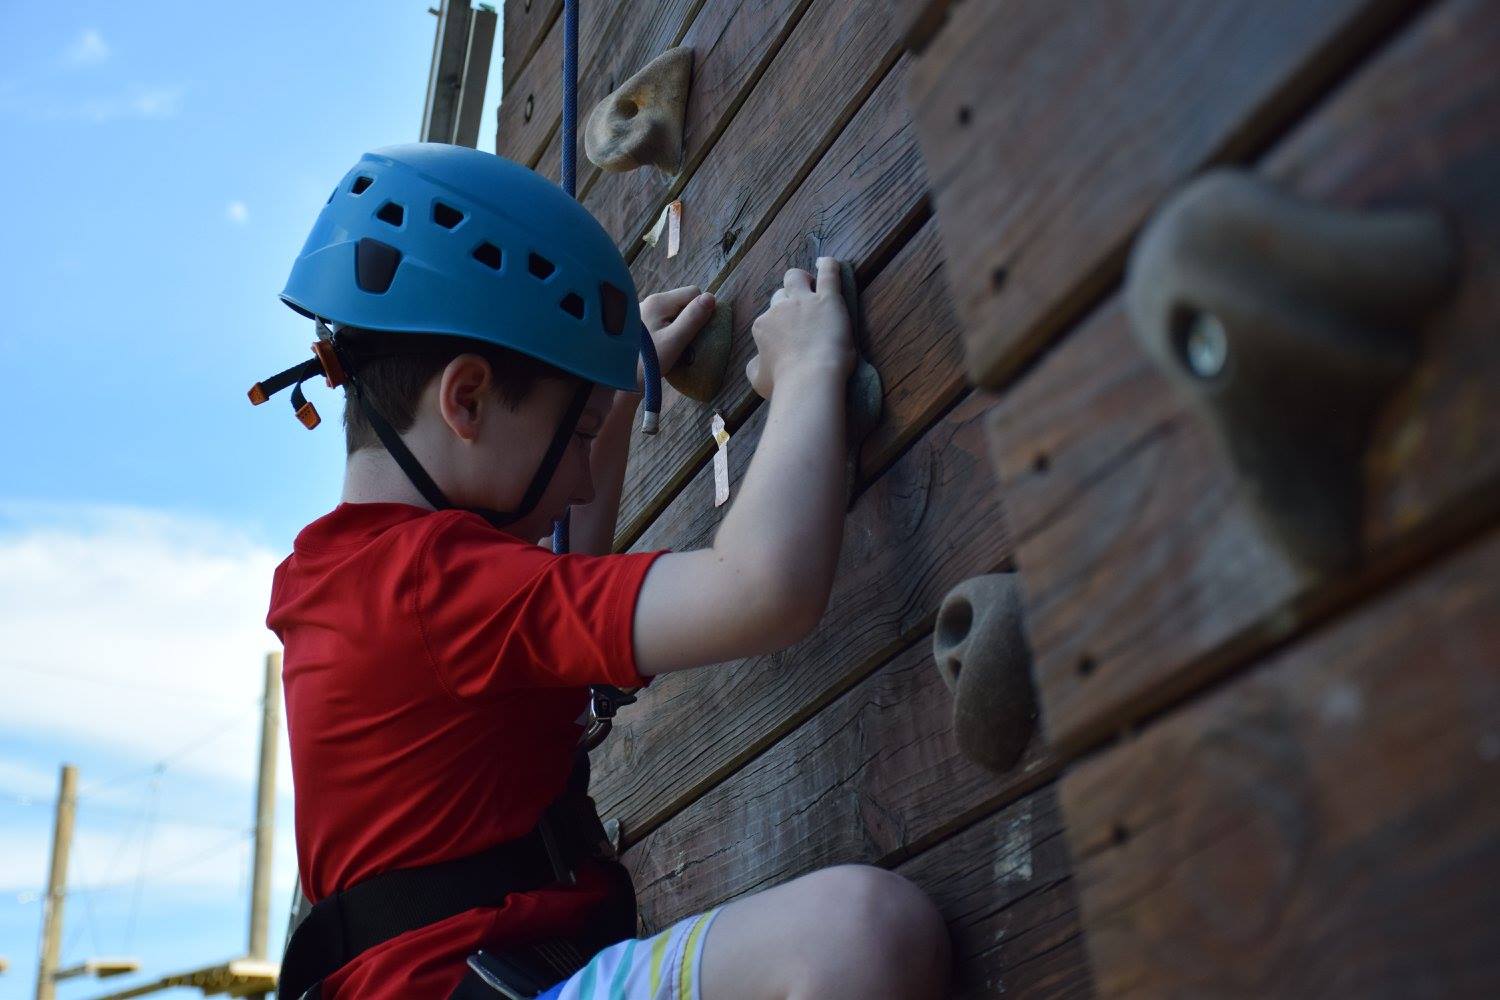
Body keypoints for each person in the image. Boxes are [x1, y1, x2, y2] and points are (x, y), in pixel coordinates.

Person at [257, 144, 950, 1000]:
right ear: (465, 401)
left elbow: (549, 605)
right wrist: (808, 372)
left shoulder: (348, 580)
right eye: (574, 439)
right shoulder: (425, 583)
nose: (585, 477)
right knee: (859, 935)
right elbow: (761, 590)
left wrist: (609, 402)